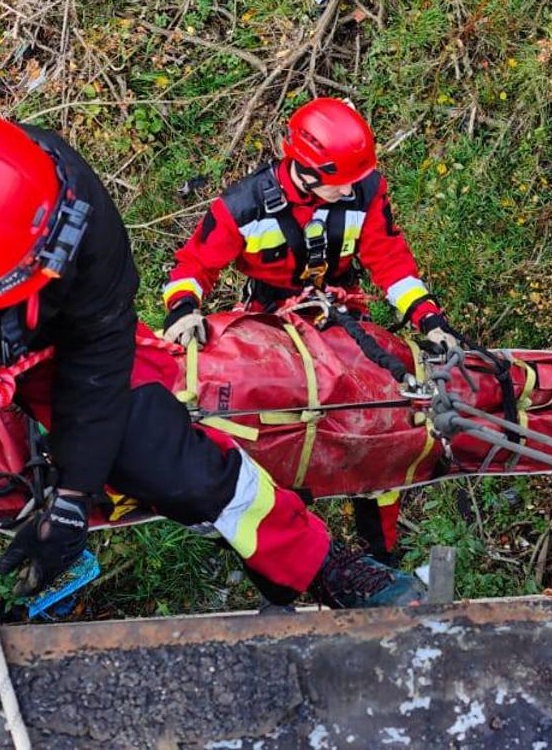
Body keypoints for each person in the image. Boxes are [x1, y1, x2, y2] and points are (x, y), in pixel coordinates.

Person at [0, 102, 423, 630]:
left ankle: (323, 566)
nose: (58, 267)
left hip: (45, 346)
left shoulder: (55, 198)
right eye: (29, 274)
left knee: (173, 456)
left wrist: (73, 498)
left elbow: (99, 353)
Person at [158, 97, 458, 563]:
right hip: (270, 327)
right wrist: (183, 310)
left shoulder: (363, 191)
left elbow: (390, 260)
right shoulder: (244, 206)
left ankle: (381, 550)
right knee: (280, 428)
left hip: (340, 319)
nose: (351, 189)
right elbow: (194, 264)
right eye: (342, 182)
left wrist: (428, 318)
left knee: (381, 417)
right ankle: (293, 544)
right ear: (307, 169)